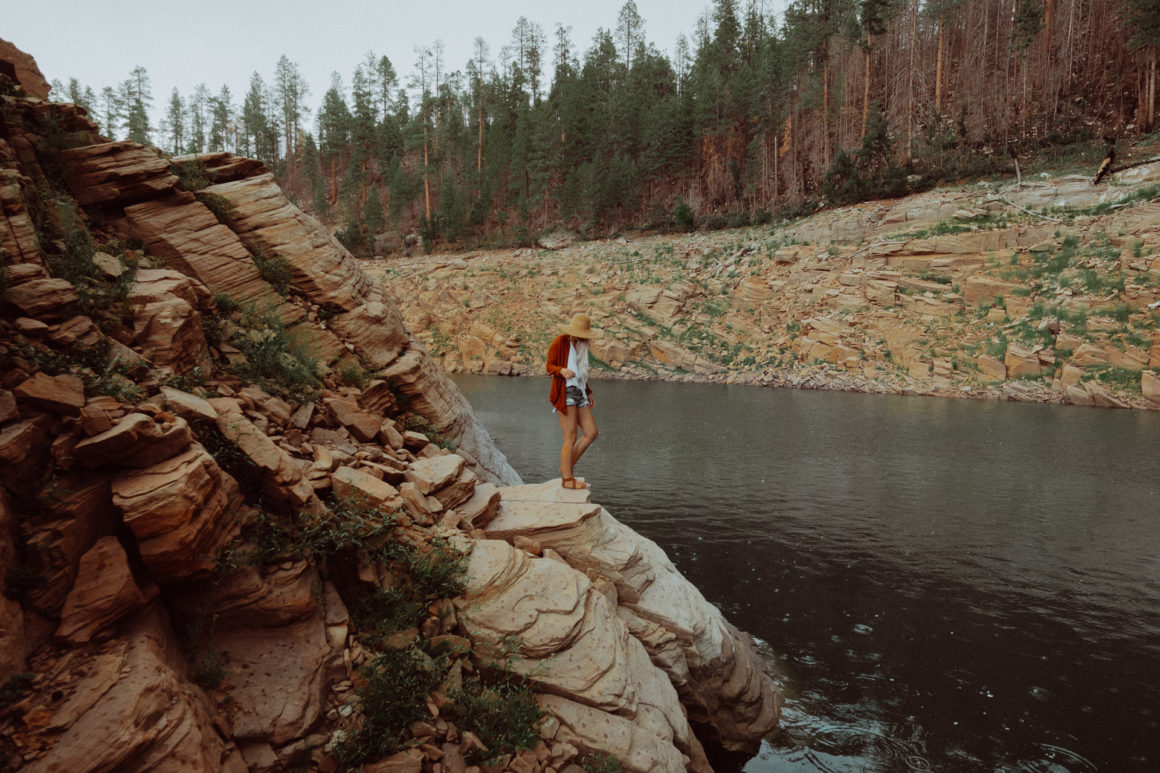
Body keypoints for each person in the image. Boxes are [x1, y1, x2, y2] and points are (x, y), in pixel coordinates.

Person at [546, 313, 599, 489]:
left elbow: (580, 372)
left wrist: (588, 391)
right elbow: (549, 366)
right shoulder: (560, 342)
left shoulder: (582, 345)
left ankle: (565, 467)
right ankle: (567, 479)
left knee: (591, 432)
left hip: (580, 391)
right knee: (570, 436)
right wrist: (561, 371)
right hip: (565, 390)